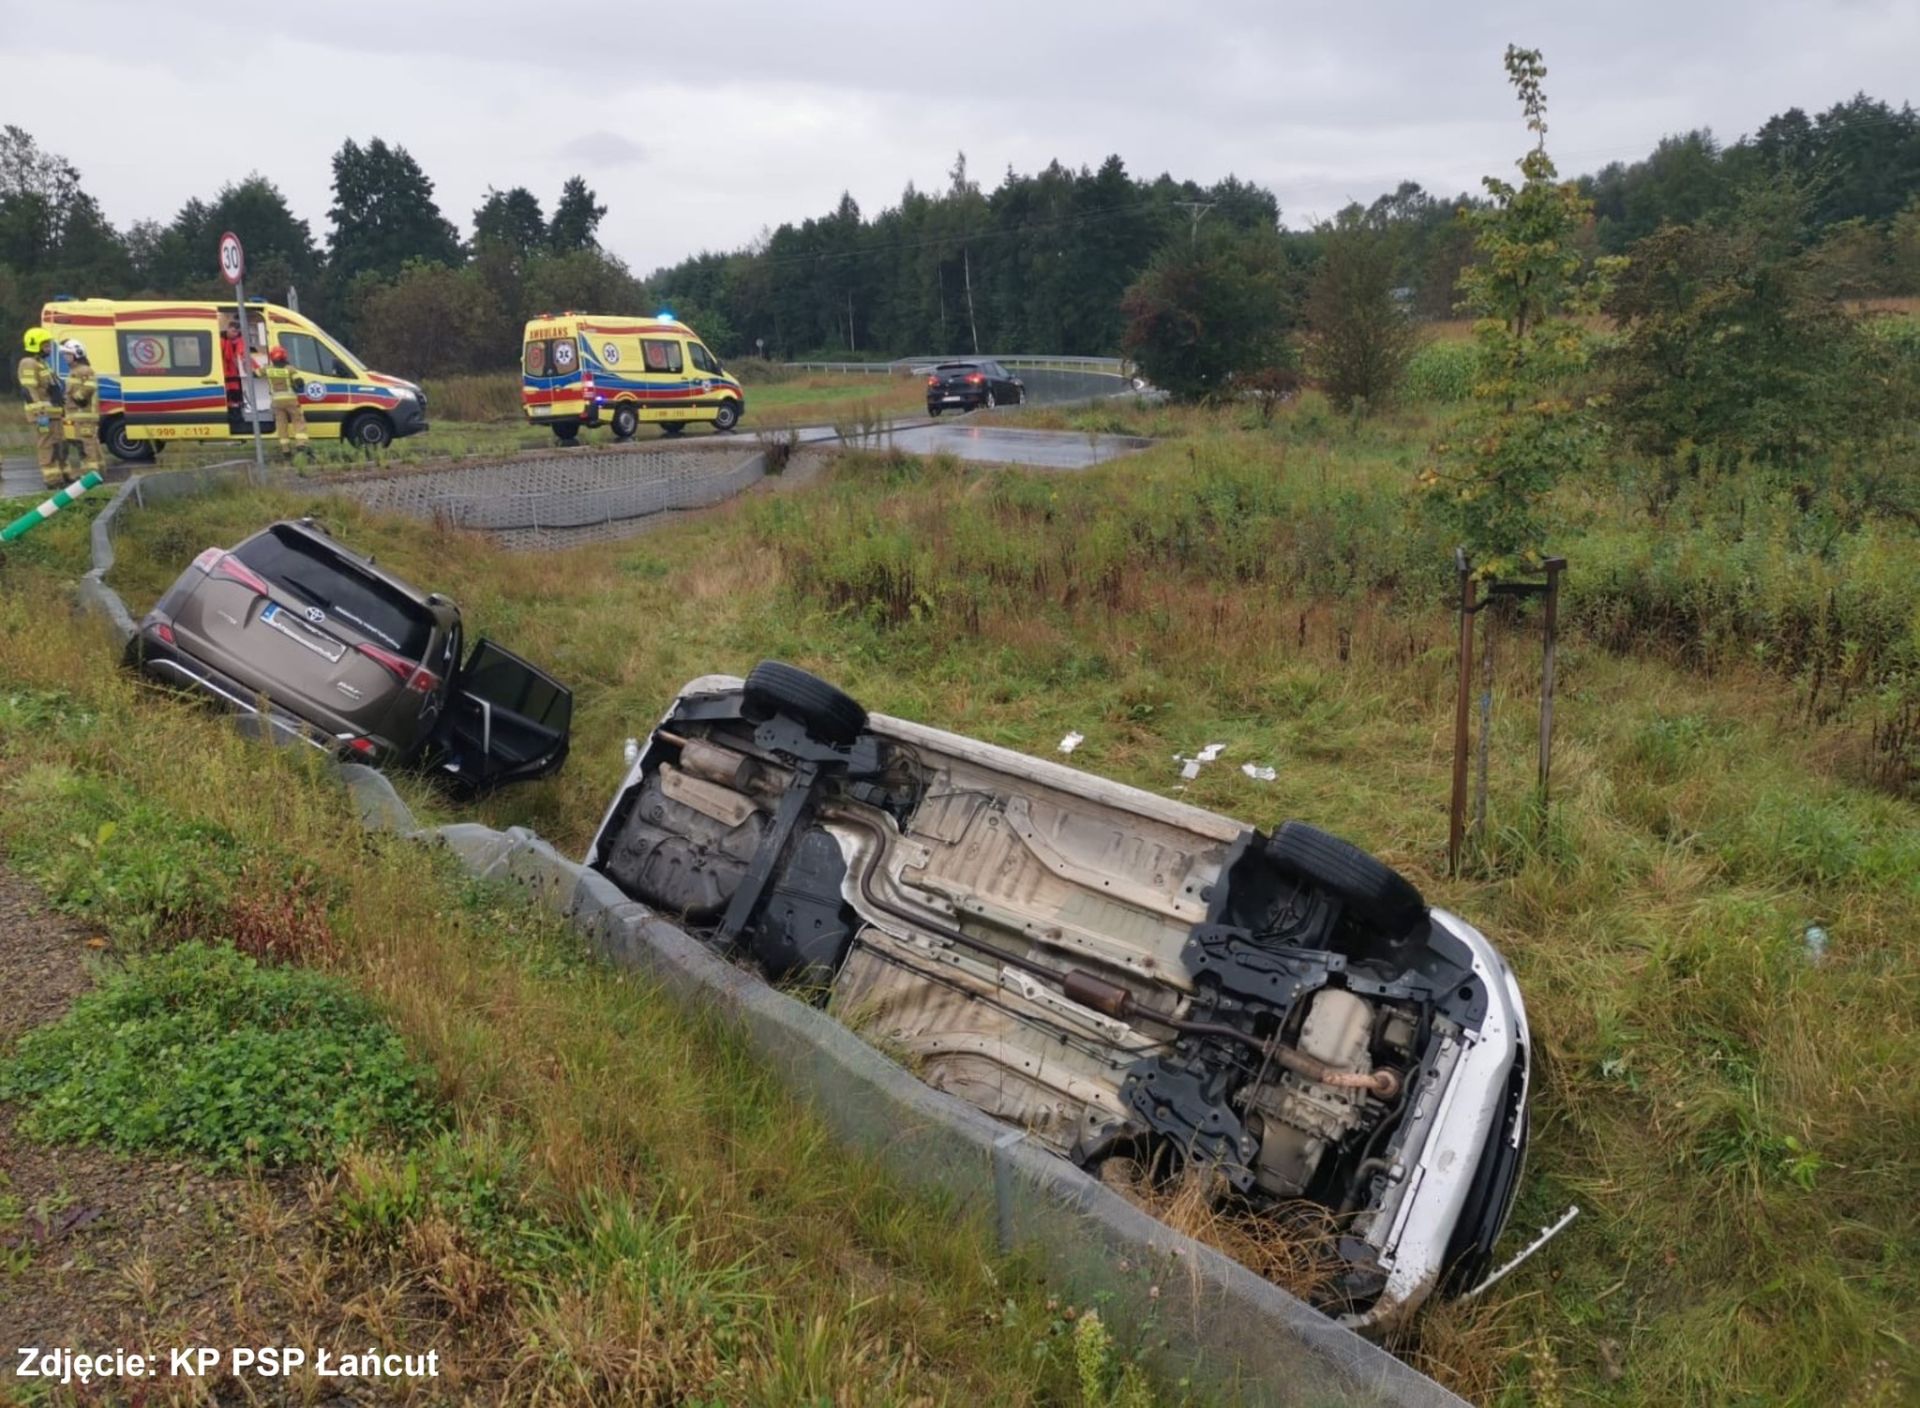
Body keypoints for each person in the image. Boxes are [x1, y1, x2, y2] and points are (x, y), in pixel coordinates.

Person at [17, 326, 70, 488]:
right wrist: (40, 412)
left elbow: (50, 387)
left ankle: (64, 475)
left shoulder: (42, 363)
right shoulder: (28, 363)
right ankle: (52, 480)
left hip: (53, 413)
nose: (49, 348)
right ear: (36, 345)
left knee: (60, 443)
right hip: (43, 415)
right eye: (46, 345)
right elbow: (29, 389)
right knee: (47, 444)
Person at [60, 339, 103, 476]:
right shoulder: (75, 371)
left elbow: (89, 387)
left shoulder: (84, 370)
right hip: (76, 416)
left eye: (68, 354)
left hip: (84, 416)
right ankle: (97, 472)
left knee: (88, 446)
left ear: (77, 354)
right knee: (85, 445)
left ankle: (91, 474)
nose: (65, 357)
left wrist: (76, 398)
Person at [264, 345, 311, 461]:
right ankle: (301, 445)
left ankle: (286, 450)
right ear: (284, 356)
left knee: (281, 425)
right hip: (290, 400)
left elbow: (254, 373)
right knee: (298, 422)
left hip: (276, 402)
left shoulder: (268, 369)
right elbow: (299, 382)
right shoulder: (290, 369)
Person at [220, 318, 244, 409]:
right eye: (233, 331)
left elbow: (240, 354)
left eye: (237, 332)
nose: (235, 334)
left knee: (235, 392)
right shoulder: (220, 338)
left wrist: (240, 367)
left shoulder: (239, 340)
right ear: (228, 328)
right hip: (224, 370)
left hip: (233, 371)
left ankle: (235, 409)